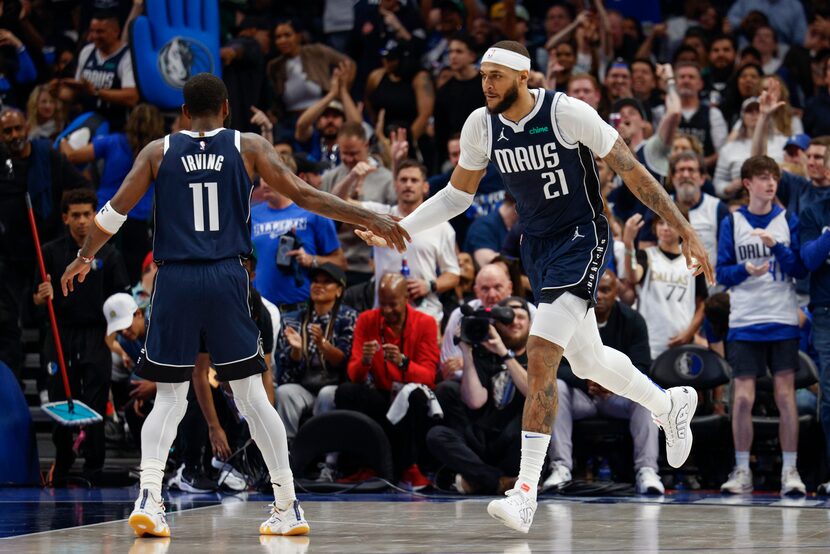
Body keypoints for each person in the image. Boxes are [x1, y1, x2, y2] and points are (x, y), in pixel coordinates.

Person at [357, 40, 711, 533]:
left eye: (496, 76)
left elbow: (633, 170)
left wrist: (685, 227)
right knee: (587, 359)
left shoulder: (567, 113)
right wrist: (403, 227)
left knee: (542, 354)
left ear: (524, 78)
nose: (486, 84)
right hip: (538, 248)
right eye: (482, 76)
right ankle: (668, 404)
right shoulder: (481, 124)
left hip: (582, 237)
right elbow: (457, 196)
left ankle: (525, 492)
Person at [59, 73, 408, 538]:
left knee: (169, 397)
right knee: (250, 395)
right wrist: (368, 214)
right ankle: (287, 504)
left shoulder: (157, 151)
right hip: (227, 276)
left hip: (175, 278)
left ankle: (150, 498)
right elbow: (304, 194)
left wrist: (84, 257)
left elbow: (113, 213)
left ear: (183, 112)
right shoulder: (249, 146)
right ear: (226, 108)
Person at [716, 155, 807, 496]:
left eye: (774, 178)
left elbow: (799, 268)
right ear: (747, 184)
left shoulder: (787, 219)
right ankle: (742, 470)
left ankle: (791, 471)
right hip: (744, 321)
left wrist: (776, 247)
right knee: (741, 399)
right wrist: (745, 271)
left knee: (786, 397)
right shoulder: (733, 221)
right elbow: (722, 273)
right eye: (763, 177)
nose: (770, 183)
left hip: (782, 318)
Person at [36, 189, 129, 485]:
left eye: (87, 214)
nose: (82, 221)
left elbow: (122, 301)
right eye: (75, 215)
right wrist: (42, 296)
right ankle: (63, 462)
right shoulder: (50, 253)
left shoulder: (110, 254)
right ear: (65, 218)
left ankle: (94, 466)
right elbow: (34, 297)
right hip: (60, 333)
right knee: (60, 398)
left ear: (95, 215)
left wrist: (112, 337)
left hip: (96, 334)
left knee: (95, 401)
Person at [542, 270, 662, 495]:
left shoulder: (633, 321)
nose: (599, 296)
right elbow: (555, 364)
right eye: (594, 290)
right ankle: (560, 467)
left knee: (647, 395)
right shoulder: (571, 319)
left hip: (619, 396)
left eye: (606, 290)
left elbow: (642, 366)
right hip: (583, 395)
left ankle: (647, 470)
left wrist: (613, 383)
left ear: (616, 291)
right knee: (556, 387)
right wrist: (585, 380)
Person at [338, 272, 439, 489]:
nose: (386, 310)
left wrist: (404, 363)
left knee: (417, 396)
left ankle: (411, 469)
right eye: (382, 304)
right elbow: (353, 375)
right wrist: (365, 361)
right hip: (382, 393)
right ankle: (365, 467)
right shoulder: (367, 320)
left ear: (406, 299)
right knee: (347, 391)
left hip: (411, 394)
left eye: (393, 304)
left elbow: (429, 377)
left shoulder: (426, 323)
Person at [427, 296, 531, 495]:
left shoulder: (536, 355)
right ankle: (497, 482)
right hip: (482, 442)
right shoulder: (483, 353)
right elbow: (475, 401)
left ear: (530, 323)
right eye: (509, 318)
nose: (515, 322)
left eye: (521, 317)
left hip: (514, 444)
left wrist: (504, 353)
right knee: (437, 435)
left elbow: (533, 393)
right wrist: (467, 353)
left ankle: (477, 481)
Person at [335, 159, 459, 323]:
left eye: (414, 180)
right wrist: (352, 176)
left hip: (426, 314)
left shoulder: (441, 227)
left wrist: (430, 285)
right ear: (395, 185)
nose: (408, 185)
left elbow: (453, 274)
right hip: (383, 314)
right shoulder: (379, 215)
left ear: (425, 187)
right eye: (403, 180)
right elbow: (337, 203)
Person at [60, 103, 164, 282]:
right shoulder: (160, 152)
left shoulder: (113, 141)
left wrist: (62, 140)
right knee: (132, 281)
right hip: (137, 224)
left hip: (104, 219)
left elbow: (72, 156)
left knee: (95, 277)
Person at [276, 262, 357, 443]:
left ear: (339, 290)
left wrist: (322, 344)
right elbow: (286, 370)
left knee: (327, 394)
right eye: (315, 281)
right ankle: (287, 450)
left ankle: (325, 455)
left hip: (333, 384)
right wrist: (296, 351)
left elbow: (345, 361)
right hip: (304, 385)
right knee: (284, 392)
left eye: (327, 281)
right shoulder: (293, 319)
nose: (319, 285)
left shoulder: (348, 317)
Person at [251, 175, 345, 311]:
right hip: (261, 310)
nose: (264, 183)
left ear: (286, 177)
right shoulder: (251, 215)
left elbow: (340, 262)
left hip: (301, 309)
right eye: (262, 177)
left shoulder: (312, 211)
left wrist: (311, 260)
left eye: (269, 175)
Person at [623, 211, 708, 359]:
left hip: (682, 340)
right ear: (655, 227)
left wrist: (690, 332)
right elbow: (633, 276)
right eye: (661, 223)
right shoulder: (646, 255)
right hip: (650, 341)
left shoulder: (694, 263)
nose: (665, 228)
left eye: (671, 224)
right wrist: (628, 244)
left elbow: (702, 304)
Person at [321, 122, 397, 285]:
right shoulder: (329, 177)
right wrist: (351, 177)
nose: (349, 159)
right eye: (345, 153)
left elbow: (394, 216)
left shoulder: (386, 178)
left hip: (369, 264)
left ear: (366, 145)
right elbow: (329, 213)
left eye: (354, 153)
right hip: (336, 263)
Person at [56, 10, 138, 131]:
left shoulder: (128, 56)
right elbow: (78, 92)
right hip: (88, 123)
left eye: (100, 31)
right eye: (92, 31)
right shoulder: (87, 52)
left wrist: (96, 92)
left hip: (116, 128)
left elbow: (132, 97)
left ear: (116, 32)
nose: (94, 36)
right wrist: (59, 93)